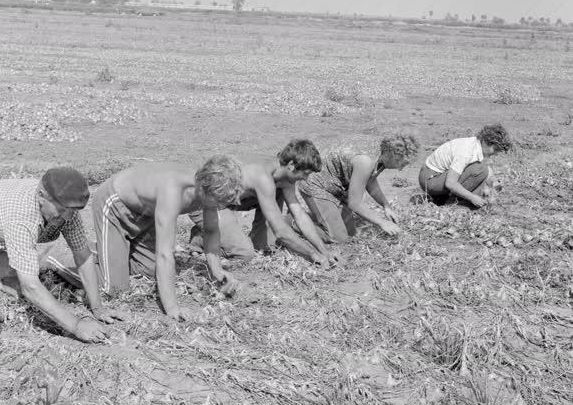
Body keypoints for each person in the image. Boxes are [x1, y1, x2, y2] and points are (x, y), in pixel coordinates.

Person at [0, 167, 123, 342]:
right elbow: (31, 286)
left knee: (12, 289)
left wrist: (97, 307)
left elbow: (82, 254)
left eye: (74, 210)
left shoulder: (66, 209)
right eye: (63, 210)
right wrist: (76, 326)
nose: (69, 217)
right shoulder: (21, 217)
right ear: (41, 196)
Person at [93, 155, 243, 321]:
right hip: (116, 205)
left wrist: (217, 270)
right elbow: (165, 254)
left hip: (147, 214)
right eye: (217, 203)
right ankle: (82, 258)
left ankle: (112, 253)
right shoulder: (173, 190)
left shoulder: (208, 192)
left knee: (150, 271)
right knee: (115, 289)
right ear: (202, 188)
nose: (220, 207)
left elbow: (211, 231)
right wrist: (172, 308)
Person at [189, 139, 338, 267]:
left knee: (265, 247)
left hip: (233, 200)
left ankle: (241, 237)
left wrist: (323, 251)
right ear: (291, 165)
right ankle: (203, 237)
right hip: (207, 202)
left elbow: (299, 214)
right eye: (305, 173)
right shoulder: (263, 176)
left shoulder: (284, 178)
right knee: (244, 254)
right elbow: (280, 231)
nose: (305, 179)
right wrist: (312, 254)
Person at [297, 135, 419, 242]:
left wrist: (386, 206)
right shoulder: (366, 162)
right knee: (338, 237)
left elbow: (370, 182)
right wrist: (382, 222)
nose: (401, 168)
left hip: (334, 188)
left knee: (351, 231)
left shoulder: (381, 157)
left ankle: (316, 216)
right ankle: (295, 220)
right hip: (315, 184)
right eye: (402, 163)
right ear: (394, 154)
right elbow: (354, 203)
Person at [418, 124, 511, 208]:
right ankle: (452, 205)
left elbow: (487, 169)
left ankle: (449, 199)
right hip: (430, 180)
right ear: (488, 143)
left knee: (482, 169)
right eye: (496, 150)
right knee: (480, 170)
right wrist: (472, 197)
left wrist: (493, 181)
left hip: (437, 177)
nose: (496, 153)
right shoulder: (466, 151)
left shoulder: (476, 145)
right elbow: (450, 183)